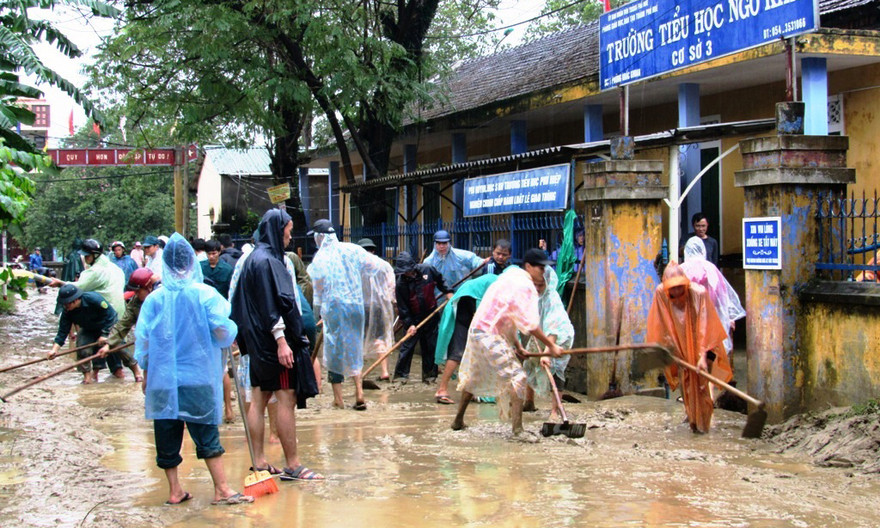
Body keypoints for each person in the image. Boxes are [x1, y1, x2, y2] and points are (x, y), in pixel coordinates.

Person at [134, 233, 253, 506]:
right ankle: (221, 489)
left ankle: (175, 491)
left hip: (163, 380)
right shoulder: (205, 295)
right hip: (197, 377)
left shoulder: (154, 300)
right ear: (191, 263)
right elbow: (224, 331)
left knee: (166, 431)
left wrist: (147, 375)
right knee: (205, 431)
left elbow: (143, 344)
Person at [231, 209, 322, 481]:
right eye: (288, 229)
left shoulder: (250, 260)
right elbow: (274, 304)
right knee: (286, 397)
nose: (290, 236)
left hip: (258, 342)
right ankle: (292, 465)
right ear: (277, 229)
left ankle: (259, 462)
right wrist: (282, 341)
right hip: (274, 342)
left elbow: (239, 303)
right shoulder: (269, 261)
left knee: (258, 398)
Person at [451, 249, 563, 436]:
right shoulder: (524, 285)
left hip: (477, 330)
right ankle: (518, 430)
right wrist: (551, 346)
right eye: (540, 268)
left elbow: (508, 316)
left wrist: (518, 346)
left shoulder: (509, 277)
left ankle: (458, 421)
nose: (543, 272)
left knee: (474, 376)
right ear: (528, 266)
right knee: (518, 378)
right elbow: (531, 324)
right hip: (489, 334)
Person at [647, 261, 732, 434]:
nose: (677, 292)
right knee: (685, 381)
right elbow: (661, 322)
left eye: (680, 287)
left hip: (701, 342)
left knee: (701, 383)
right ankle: (692, 418)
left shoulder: (698, 293)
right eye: (673, 288)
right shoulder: (661, 294)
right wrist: (668, 349)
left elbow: (704, 325)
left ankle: (704, 424)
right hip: (678, 343)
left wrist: (702, 356)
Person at [307, 218, 371, 411]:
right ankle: (359, 392)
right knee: (354, 347)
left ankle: (339, 399)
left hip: (334, 307)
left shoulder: (320, 258)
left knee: (334, 350)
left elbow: (317, 291)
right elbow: (373, 267)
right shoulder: (352, 249)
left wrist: (319, 314)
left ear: (320, 236)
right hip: (355, 307)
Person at [48, 238, 128, 378]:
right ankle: (105, 376)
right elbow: (63, 330)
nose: (85, 259)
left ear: (95, 255)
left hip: (105, 315)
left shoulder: (94, 272)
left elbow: (76, 288)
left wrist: (60, 283)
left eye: (87, 256)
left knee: (100, 346)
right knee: (112, 350)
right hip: (119, 314)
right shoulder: (115, 268)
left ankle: (94, 376)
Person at [434, 273, 503, 405]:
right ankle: (442, 389)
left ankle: (472, 390)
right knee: (460, 349)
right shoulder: (502, 285)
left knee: (473, 348)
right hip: (467, 301)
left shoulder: (503, 282)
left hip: (468, 301)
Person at [522, 266, 575, 417]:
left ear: (548, 283)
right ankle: (529, 401)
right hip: (542, 335)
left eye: (541, 285)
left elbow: (554, 327)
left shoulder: (552, 299)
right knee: (529, 364)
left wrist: (546, 353)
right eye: (535, 284)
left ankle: (555, 411)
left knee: (555, 370)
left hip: (559, 337)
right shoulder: (534, 296)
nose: (537, 288)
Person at [393, 251, 452, 384]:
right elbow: (403, 308)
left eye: (408, 270)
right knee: (407, 347)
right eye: (404, 272)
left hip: (430, 315)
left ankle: (430, 375)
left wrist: (448, 292)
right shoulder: (401, 283)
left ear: (413, 266)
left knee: (430, 346)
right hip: (413, 318)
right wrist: (409, 324)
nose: (406, 273)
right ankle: (400, 376)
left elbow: (440, 280)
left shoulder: (428, 270)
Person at [680, 237, 745, 353]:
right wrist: (729, 317)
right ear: (703, 250)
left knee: (690, 349)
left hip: (687, 316)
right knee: (710, 350)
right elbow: (722, 295)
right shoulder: (710, 268)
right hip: (710, 315)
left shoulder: (681, 270)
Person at [47, 284, 118, 384]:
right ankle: (87, 378)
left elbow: (112, 316)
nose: (65, 307)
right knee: (82, 347)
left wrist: (105, 334)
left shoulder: (94, 299)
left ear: (75, 300)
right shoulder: (67, 311)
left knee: (120, 349)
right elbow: (62, 331)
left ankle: (135, 372)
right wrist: (54, 350)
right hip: (88, 328)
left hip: (107, 326)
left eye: (67, 304)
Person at [96, 268, 155, 383]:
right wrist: (108, 344)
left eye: (139, 291)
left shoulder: (163, 298)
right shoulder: (135, 303)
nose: (136, 294)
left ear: (149, 287)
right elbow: (123, 324)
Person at [361, 252, 395, 383]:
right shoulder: (384, 265)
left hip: (361, 307)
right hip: (380, 307)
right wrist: (392, 301)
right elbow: (391, 286)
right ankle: (384, 371)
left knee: (358, 339)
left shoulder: (358, 266)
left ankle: (358, 373)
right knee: (379, 338)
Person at [424, 229, 486, 296]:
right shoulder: (428, 262)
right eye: (439, 243)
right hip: (439, 298)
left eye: (444, 243)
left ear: (449, 243)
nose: (442, 246)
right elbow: (425, 281)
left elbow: (476, 262)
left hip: (460, 295)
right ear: (435, 244)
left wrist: (484, 262)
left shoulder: (460, 256)